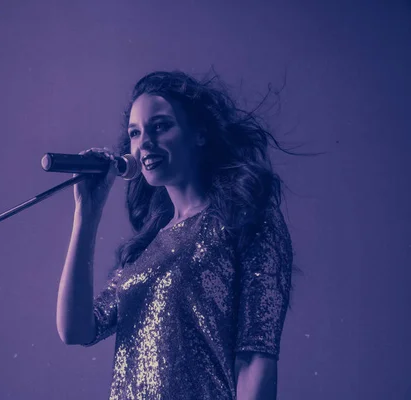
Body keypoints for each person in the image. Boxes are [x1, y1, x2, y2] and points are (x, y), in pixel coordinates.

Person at [56, 70, 293, 400]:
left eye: (160, 126)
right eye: (135, 134)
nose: (145, 144)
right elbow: (76, 329)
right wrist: (87, 212)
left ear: (199, 134)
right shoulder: (148, 248)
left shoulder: (245, 216)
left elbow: (256, 356)